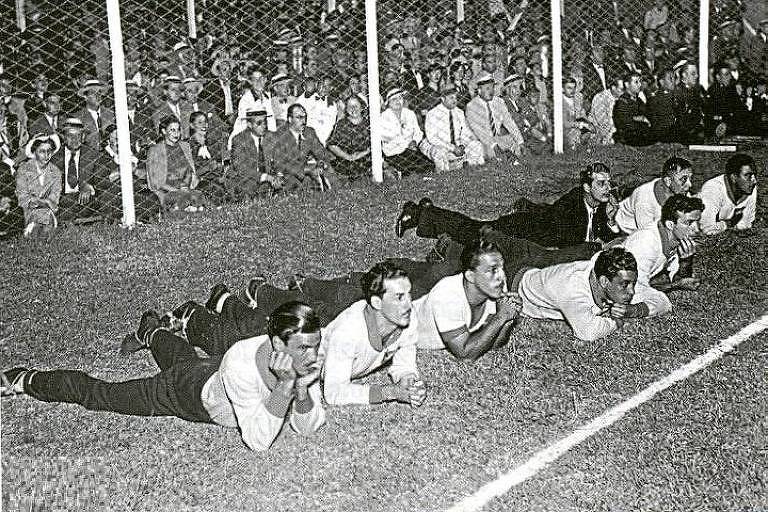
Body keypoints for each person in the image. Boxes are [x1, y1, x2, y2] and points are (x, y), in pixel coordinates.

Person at [1, 302, 326, 452]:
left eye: (316, 346)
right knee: (104, 395)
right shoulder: (243, 362)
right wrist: (287, 386)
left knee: (184, 360)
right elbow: (257, 441)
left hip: (208, 370)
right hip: (185, 392)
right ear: (278, 343)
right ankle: (26, 379)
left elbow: (308, 426)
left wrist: (301, 390)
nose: (312, 357)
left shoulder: (306, 356)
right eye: (304, 348)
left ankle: (152, 330)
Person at [396, 162, 621, 248]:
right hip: (521, 230)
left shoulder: (600, 205)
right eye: (601, 184)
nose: (607, 188)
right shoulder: (572, 204)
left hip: (531, 232)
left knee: (473, 230)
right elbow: (572, 242)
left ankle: (428, 210)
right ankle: (419, 213)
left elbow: (604, 236)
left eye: (608, 183)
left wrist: (610, 220)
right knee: (473, 232)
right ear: (586, 187)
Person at [320, 261, 426, 407]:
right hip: (318, 349)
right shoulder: (347, 333)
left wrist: (407, 379)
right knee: (316, 309)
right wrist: (390, 392)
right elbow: (334, 392)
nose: (409, 304)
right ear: (377, 303)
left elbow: (405, 357)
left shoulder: (407, 316)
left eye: (409, 294)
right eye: (400, 297)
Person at [412, 238, 521, 360]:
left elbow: (494, 342)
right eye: (493, 270)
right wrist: (501, 317)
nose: (502, 276)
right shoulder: (447, 296)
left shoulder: (495, 286)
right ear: (470, 276)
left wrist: (508, 318)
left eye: (502, 268)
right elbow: (465, 354)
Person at [516, 248, 641, 342]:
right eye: (625, 284)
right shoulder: (573, 290)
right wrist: (617, 321)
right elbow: (588, 333)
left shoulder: (602, 269)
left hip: (535, 268)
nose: (632, 292)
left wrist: (633, 309)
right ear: (604, 281)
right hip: (514, 285)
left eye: (633, 284)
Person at [90, 124, 161, 223]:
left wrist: (135, 170)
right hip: (114, 196)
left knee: (152, 198)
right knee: (110, 202)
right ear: (108, 141)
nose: (120, 142)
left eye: (122, 139)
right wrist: (123, 170)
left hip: (134, 192)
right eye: (116, 139)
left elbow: (146, 175)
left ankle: (142, 222)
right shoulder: (103, 158)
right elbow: (100, 182)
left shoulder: (131, 156)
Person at [268, 104, 338, 191]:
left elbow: (322, 153)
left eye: (304, 117)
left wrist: (321, 164)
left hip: (305, 170)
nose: (303, 121)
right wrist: (306, 170)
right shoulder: (279, 135)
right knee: (295, 183)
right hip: (284, 173)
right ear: (290, 119)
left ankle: (338, 193)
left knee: (328, 170)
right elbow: (280, 165)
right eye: (299, 117)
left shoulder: (309, 132)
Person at [615, 156, 693, 234]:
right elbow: (647, 235)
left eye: (690, 178)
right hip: (625, 231)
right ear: (668, 181)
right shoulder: (644, 199)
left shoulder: (682, 192)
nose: (690, 184)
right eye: (684, 179)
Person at [423, 84, 485, 172]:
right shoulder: (432, 114)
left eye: (456, 97)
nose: (455, 100)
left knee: (476, 145)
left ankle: (469, 167)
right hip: (441, 146)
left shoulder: (459, 112)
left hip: (458, 146)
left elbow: (465, 133)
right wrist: (452, 148)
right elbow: (432, 138)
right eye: (451, 98)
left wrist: (462, 145)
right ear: (442, 99)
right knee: (438, 152)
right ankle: (444, 173)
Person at [465, 73, 523, 164]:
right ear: (479, 91)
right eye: (487, 88)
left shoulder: (499, 102)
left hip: (497, 138)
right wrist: (495, 145)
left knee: (513, 143)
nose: (491, 91)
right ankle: (503, 159)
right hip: (480, 141)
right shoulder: (472, 106)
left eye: (492, 87)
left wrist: (520, 141)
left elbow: (509, 122)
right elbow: (480, 133)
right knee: (493, 153)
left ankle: (510, 159)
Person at [146, 116, 201, 210]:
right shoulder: (155, 150)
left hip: (187, 189)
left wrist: (191, 185)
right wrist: (178, 191)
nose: (176, 133)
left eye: (178, 130)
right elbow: (156, 183)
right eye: (172, 130)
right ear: (164, 131)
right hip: (167, 191)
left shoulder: (185, 146)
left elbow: (192, 172)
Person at [50, 117, 100, 222]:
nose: (74, 139)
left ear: (83, 137)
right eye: (70, 135)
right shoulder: (54, 158)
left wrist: (89, 186)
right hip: (63, 199)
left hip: (84, 199)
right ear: (63, 137)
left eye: (78, 135)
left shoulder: (92, 155)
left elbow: (100, 178)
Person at [698, 153, 758, 235]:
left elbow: (746, 225)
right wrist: (729, 224)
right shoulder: (713, 188)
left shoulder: (749, 188)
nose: (754, 181)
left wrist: (721, 226)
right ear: (733, 177)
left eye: (754, 175)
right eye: (748, 175)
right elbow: (707, 229)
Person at [14, 133, 61, 237]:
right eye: (42, 151)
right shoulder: (23, 170)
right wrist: (46, 202)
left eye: (49, 151)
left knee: (46, 226)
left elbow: (55, 198)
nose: (47, 155)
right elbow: (23, 199)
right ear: (34, 152)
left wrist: (41, 201)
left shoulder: (55, 171)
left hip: (49, 213)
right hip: (27, 212)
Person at [380, 87, 434, 176]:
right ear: (388, 102)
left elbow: (418, 132)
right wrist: (407, 144)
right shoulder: (383, 117)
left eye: (400, 98)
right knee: (411, 171)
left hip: (411, 150)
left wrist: (414, 141)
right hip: (394, 153)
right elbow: (388, 138)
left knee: (428, 166)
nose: (398, 101)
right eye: (394, 99)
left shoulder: (409, 114)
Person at [229, 110, 281, 199]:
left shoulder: (272, 137)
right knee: (248, 186)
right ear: (249, 124)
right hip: (250, 178)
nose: (264, 126)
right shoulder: (239, 140)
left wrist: (279, 176)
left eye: (265, 122)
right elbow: (241, 168)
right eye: (259, 123)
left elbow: (281, 160)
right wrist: (265, 177)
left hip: (271, 177)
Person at [326, 95, 372, 181]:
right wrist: (349, 157)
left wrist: (360, 155)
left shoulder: (369, 123)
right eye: (350, 106)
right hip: (345, 160)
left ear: (362, 107)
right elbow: (332, 145)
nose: (353, 108)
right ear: (346, 109)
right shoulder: (342, 124)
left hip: (365, 158)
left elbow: (375, 145)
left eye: (356, 105)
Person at [188, 111, 226, 203]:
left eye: (205, 122)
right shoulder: (190, 146)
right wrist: (210, 167)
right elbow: (193, 171)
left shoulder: (211, 142)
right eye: (200, 123)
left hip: (217, 178)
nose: (204, 125)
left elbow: (220, 162)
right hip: (199, 182)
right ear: (192, 125)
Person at [612, 72, 654, 146]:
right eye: (636, 82)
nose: (639, 85)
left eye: (640, 82)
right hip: (629, 139)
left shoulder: (639, 100)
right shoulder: (622, 102)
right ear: (627, 84)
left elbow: (648, 114)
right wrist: (640, 119)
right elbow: (626, 123)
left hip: (641, 135)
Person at [72, 79, 115, 151]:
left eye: (99, 92)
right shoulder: (77, 118)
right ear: (85, 97)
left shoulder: (111, 115)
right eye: (93, 93)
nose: (98, 96)